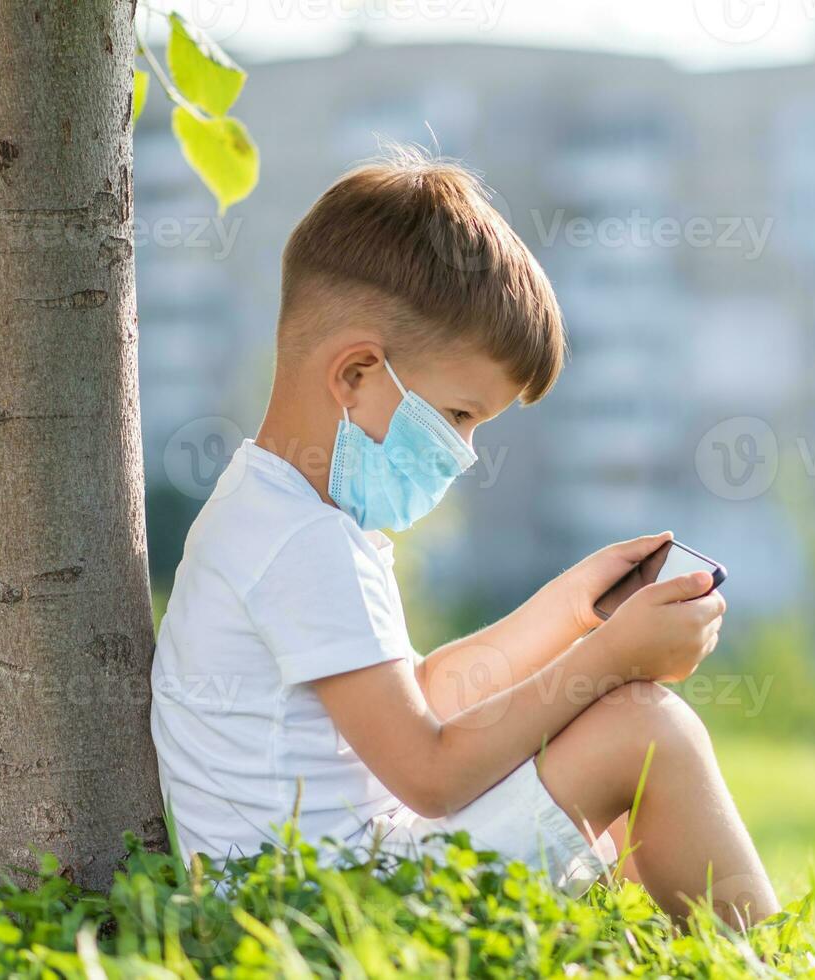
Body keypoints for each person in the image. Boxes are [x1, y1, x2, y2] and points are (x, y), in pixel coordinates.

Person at [150, 146, 778, 928]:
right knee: (648, 730)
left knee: (616, 718)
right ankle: (765, 964)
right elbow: (431, 774)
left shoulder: (275, 513)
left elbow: (420, 704)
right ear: (355, 374)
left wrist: (570, 614)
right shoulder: (303, 545)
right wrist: (613, 660)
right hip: (335, 923)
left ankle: (642, 947)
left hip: (328, 893)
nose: (465, 450)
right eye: (457, 415)